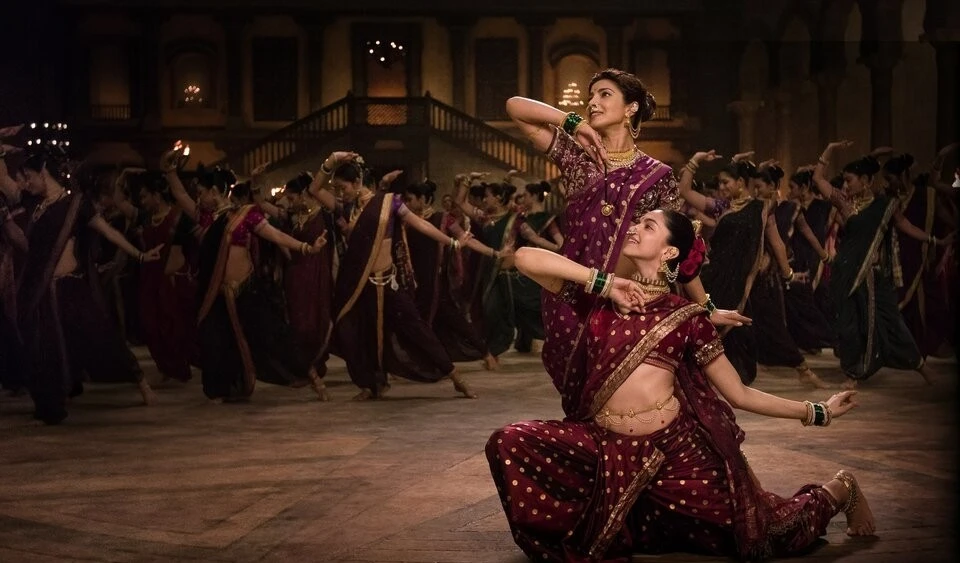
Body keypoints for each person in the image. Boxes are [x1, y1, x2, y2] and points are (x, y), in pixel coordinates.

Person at [487, 209, 871, 562]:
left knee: (767, 534)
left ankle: (840, 490)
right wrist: (605, 282)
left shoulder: (686, 318)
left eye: (648, 225)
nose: (634, 228)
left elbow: (738, 394)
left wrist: (818, 411)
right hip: (603, 446)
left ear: (670, 252)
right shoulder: (598, 299)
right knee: (508, 441)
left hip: (674, 457)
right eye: (636, 222)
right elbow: (524, 258)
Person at [505, 68, 748, 416]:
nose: (593, 102)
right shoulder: (577, 158)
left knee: (613, 394)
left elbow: (680, 249)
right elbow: (515, 107)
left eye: (604, 94)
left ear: (631, 107)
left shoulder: (658, 175)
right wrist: (572, 122)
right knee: (577, 392)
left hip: (621, 299)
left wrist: (706, 307)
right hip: (570, 291)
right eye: (591, 96)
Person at [307, 152, 477, 401]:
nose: (340, 193)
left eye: (343, 187)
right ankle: (370, 384)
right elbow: (314, 189)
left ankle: (456, 377)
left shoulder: (389, 203)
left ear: (357, 182)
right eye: (337, 189)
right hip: (359, 285)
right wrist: (331, 160)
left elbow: (421, 224)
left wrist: (452, 242)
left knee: (417, 329)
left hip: (388, 282)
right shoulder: (346, 208)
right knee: (357, 332)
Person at [162, 151, 328, 401]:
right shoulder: (205, 218)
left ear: (215, 192)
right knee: (218, 342)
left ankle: (313, 378)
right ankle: (233, 389)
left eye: (202, 193)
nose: (198, 198)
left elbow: (275, 235)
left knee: (275, 338)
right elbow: (180, 195)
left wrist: (306, 248)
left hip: (247, 290)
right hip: (219, 295)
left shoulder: (245, 215)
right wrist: (169, 172)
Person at [13, 147, 163, 424]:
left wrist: (140, 255)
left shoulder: (75, 205)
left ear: (43, 172)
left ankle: (140, 381)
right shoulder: (36, 206)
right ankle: (52, 402)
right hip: (44, 292)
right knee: (44, 347)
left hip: (72, 289)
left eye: (29, 176)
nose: (26, 183)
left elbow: (109, 232)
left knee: (100, 336)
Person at [813, 141, 950, 387]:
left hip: (875, 275)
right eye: (845, 181)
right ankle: (853, 375)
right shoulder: (844, 203)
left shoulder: (884, 205)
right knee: (850, 325)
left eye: (850, 180)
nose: (846, 185)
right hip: (848, 274)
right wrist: (830, 149)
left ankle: (921, 367)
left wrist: (934, 240)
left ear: (866, 180)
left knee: (892, 321)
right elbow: (818, 179)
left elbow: (906, 226)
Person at [401, 180, 500, 370]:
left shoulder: (443, 219)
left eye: (410, 199)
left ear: (423, 199)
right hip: (416, 282)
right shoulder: (407, 221)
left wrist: (495, 253)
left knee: (455, 321)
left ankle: (485, 354)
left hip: (436, 283)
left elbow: (467, 240)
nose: (407, 203)